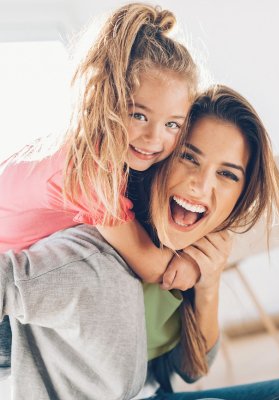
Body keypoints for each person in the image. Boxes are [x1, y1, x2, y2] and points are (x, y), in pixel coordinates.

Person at [0, 85, 279, 400]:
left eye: (226, 174)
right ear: (160, 158)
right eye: (189, 158)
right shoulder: (91, 254)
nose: (201, 186)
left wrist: (208, 285)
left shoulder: (186, 254)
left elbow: (191, 369)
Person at [0, 3, 212, 380]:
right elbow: (149, 267)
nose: (153, 138)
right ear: (106, 99)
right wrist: (201, 263)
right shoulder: (92, 168)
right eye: (138, 115)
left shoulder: (83, 148)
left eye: (172, 124)